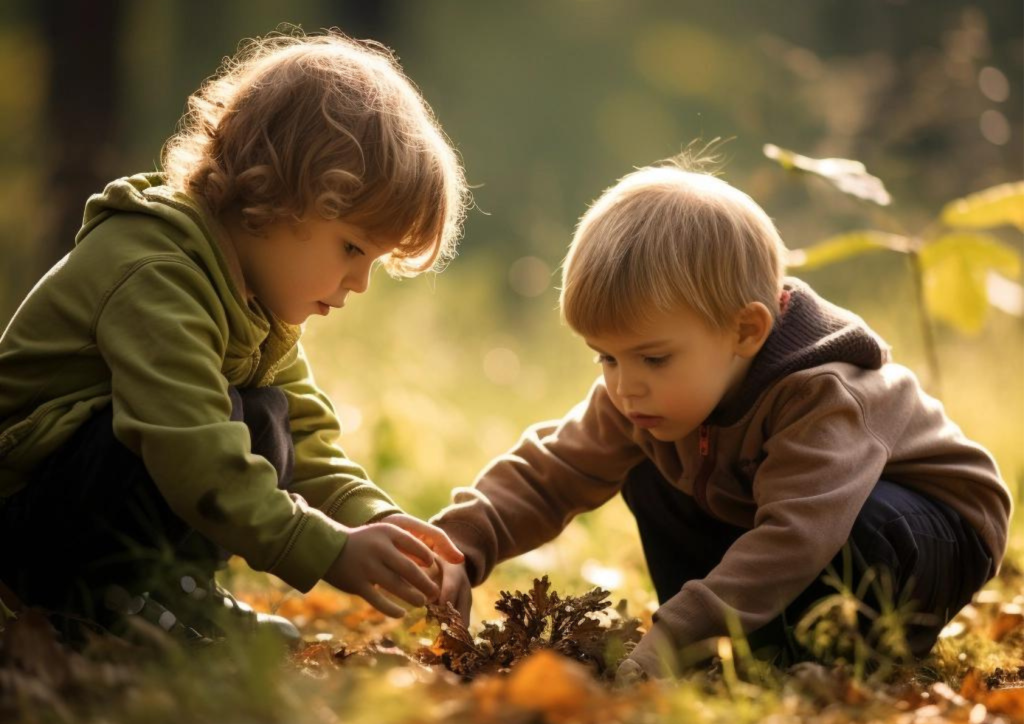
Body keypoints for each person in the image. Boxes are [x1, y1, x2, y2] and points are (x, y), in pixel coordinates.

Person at [430, 154, 1013, 679]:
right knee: (647, 467)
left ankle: (845, 658)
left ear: (745, 331)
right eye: (606, 357)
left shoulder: (822, 394)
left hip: (929, 529)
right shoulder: (643, 398)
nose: (625, 386)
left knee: (862, 526)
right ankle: (732, 647)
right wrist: (456, 547)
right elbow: (550, 471)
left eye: (653, 358)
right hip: (793, 524)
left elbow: (796, 536)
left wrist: (674, 629)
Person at [0, 30, 469, 645]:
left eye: (373, 262)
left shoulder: (255, 303)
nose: (358, 282)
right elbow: (193, 453)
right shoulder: (156, 271)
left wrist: (377, 521)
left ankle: (172, 591)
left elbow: (306, 438)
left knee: (268, 416)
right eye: (352, 247)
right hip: (31, 519)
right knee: (203, 428)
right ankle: (103, 603)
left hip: (84, 500)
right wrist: (327, 551)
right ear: (276, 193)